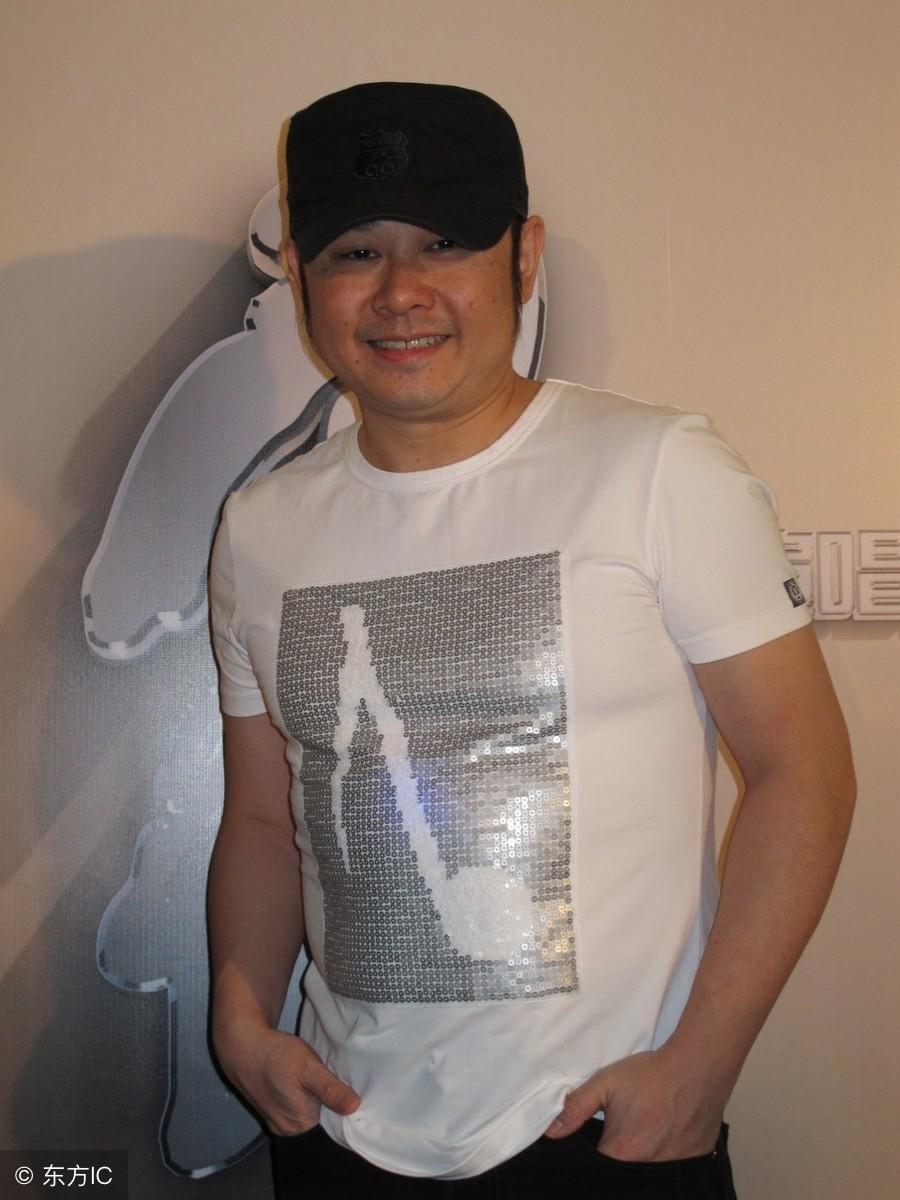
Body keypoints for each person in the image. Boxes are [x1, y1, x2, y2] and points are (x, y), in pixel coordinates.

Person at [207, 82, 855, 1199]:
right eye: (356, 252)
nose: (401, 292)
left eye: (446, 242)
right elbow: (264, 818)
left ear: (525, 256)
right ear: (303, 275)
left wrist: (702, 1067)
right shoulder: (257, 529)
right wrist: (239, 1017)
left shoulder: (657, 468)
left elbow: (806, 771)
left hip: (603, 1134)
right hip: (338, 1133)